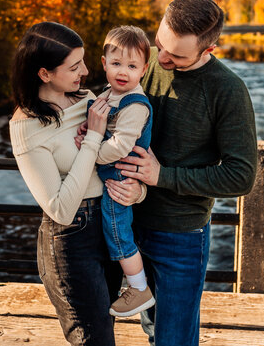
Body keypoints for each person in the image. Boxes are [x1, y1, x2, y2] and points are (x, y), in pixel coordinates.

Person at [115, 0, 258, 346]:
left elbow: (241, 175)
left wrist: (160, 175)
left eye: (176, 55)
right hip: (125, 224)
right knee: (147, 330)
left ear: (207, 50)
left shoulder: (228, 90)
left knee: (173, 339)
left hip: (180, 236)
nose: (160, 58)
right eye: (159, 43)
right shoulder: (143, 59)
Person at [9, 21, 144, 346]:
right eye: (74, 66)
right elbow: (60, 208)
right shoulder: (26, 126)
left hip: (110, 224)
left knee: (107, 331)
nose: (85, 70)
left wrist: (138, 191)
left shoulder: (85, 96)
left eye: (83, 60)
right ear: (44, 74)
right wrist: (94, 137)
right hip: (71, 241)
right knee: (94, 340)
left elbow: (116, 157)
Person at [80, 26, 155, 317]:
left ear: (144, 70)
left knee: (117, 231)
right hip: (110, 174)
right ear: (104, 63)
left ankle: (139, 288)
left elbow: (122, 145)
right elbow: (99, 124)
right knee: (113, 231)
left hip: (120, 178)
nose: (123, 71)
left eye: (132, 66)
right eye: (116, 64)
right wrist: (88, 129)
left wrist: (91, 153)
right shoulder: (108, 94)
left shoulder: (135, 104)